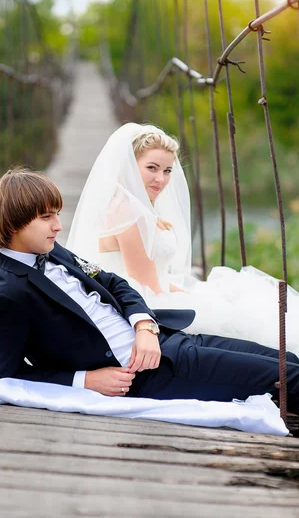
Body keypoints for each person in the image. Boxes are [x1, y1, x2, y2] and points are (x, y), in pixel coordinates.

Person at [0, 166, 299, 412]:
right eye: (46, 217)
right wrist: (87, 380)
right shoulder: (6, 295)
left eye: (57, 215)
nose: (58, 226)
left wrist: (144, 326)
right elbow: (6, 374)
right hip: (154, 374)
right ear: (13, 225)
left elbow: (114, 283)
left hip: (168, 338)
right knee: (289, 380)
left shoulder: (52, 251)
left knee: (289, 360)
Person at [66, 122, 299, 355]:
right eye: (152, 168)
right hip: (141, 305)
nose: (161, 179)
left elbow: (153, 276)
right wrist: (199, 298)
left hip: (151, 292)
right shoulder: (127, 212)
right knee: (242, 310)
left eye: (167, 171)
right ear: (129, 166)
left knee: (242, 294)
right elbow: (144, 282)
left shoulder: (135, 207)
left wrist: (193, 292)